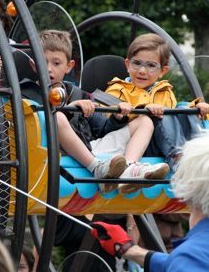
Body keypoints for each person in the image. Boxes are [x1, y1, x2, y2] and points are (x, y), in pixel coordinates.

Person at [23, 29, 169, 194]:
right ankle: (96, 168)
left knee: (144, 121)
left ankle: (129, 168)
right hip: (52, 153)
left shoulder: (79, 94)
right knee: (56, 118)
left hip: (92, 148)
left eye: (56, 63)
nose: (49, 69)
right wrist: (70, 110)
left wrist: (117, 118)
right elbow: (31, 124)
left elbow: (102, 129)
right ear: (33, 64)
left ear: (69, 66)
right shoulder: (26, 91)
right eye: (43, 62)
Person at [91, 133, 209, 272]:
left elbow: (187, 267)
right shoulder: (190, 260)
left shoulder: (189, 259)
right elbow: (179, 267)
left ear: (189, 191)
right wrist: (129, 249)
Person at [105, 33, 209, 171]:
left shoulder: (164, 91)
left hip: (164, 143)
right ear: (127, 65)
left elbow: (175, 123)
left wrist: (196, 110)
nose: (142, 71)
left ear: (163, 71)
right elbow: (105, 124)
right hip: (134, 145)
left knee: (183, 107)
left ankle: (201, 152)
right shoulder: (117, 89)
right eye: (137, 63)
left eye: (151, 65)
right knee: (161, 115)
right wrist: (146, 110)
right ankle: (177, 158)